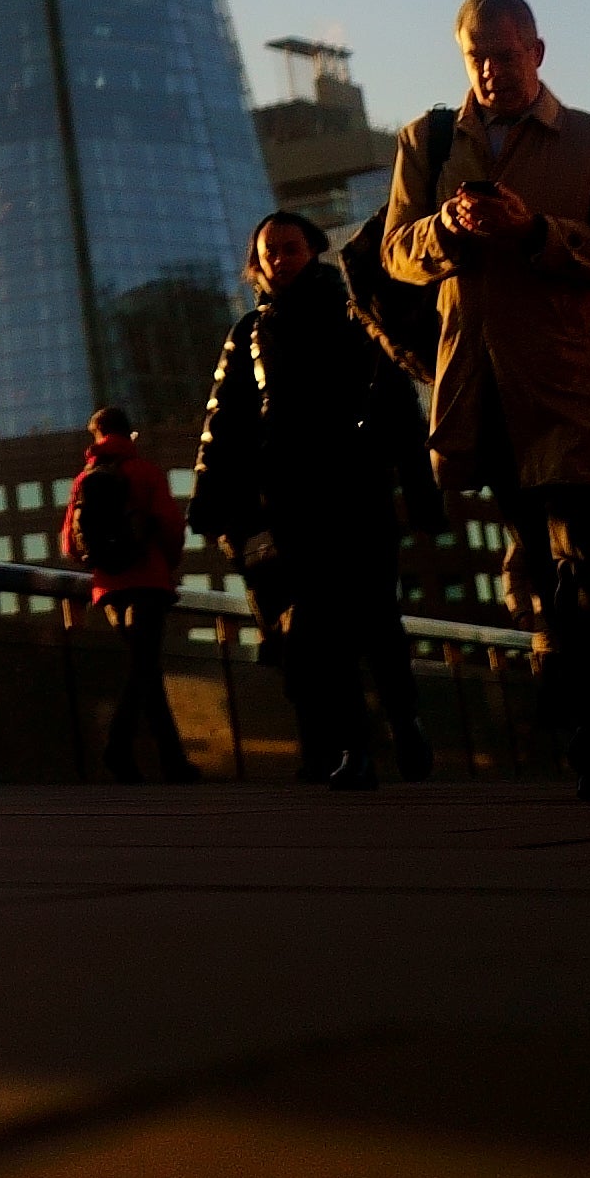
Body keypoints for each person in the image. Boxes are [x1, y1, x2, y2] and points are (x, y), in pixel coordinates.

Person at [378, 0, 590, 802]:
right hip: (483, 391)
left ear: (537, 52)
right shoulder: (425, 143)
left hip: (577, 389)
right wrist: (449, 231)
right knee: (544, 568)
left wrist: (534, 231)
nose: (492, 70)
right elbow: (397, 252)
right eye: (476, 57)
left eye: (505, 54)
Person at [190, 210, 442, 790]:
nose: (280, 259)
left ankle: (405, 723)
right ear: (257, 261)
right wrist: (208, 500)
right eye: (270, 250)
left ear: (314, 250)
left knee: (378, 618)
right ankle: (354, 748)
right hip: (292, 501)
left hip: (359, 490)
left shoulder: (356, 314)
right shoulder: (249, 331)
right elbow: (223, 423)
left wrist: (423, 494)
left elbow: (401, 409)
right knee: (321, 626)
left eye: (291, 248)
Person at [64, 405, 196, 782]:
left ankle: (173, 762)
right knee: (144, 668)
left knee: (145, 669)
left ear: (96, 436)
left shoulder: (82, 480)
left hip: (109, 589)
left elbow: (69, 544)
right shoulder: (146, 472)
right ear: (129, 432)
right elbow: (172, 527)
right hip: (149, 582)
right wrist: (165, 564)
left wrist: (100, 563)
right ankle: (118, 748)